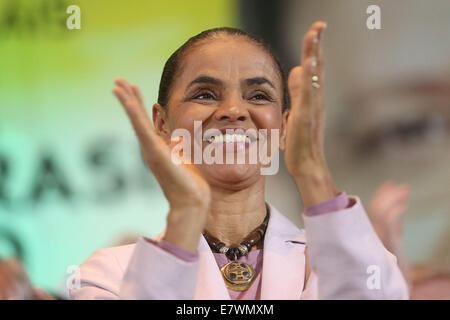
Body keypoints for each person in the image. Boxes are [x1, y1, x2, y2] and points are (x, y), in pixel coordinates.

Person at [70, 22, 408, 299]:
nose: (233, 111)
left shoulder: (354, 263)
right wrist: (187, 212)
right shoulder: (109, 275)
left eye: (259, 96)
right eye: (205, 94)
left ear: (284, 127)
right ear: (161, 124)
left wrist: (311, 171)